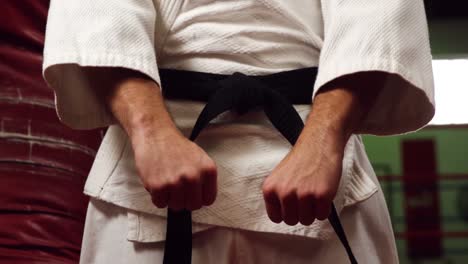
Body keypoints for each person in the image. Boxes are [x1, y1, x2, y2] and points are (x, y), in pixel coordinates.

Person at [42, 0, 435, 263]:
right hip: (150, 166)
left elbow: (377, 14)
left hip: (319, 156)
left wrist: (323, 142)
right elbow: (97, 11)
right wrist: (150, 131)